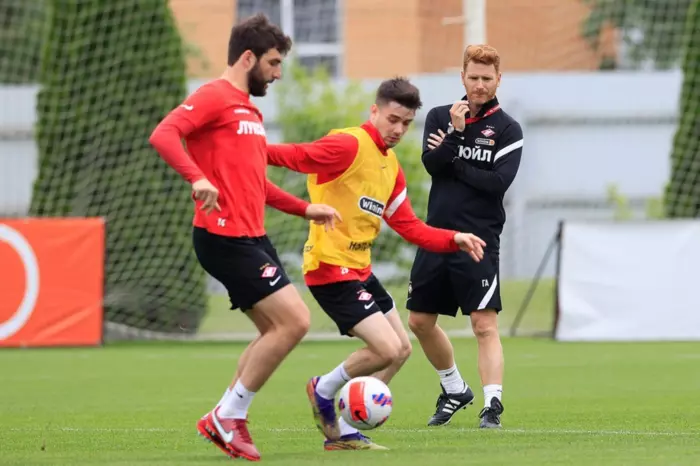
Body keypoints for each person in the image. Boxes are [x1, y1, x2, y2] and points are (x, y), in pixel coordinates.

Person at [149, 14, 341, 461]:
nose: (278, 73)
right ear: (248, 57)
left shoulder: (249, 111)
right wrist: (197, 178)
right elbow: (164, 134)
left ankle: (227, 416)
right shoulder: (215, 95)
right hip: (223, 237)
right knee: (295, 322)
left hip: (252, 237)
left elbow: (256, 183)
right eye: (273, 63)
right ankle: (228, 416)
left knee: (275, 329)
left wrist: (305, 208)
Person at [266, 77, 487, 450]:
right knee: (386, 349)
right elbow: (296, 155)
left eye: (406, 123)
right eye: (393, 119)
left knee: (400, 350)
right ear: (374, 111)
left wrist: (454, 238)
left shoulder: (390, 166)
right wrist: (244, 149)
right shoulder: (348, 144)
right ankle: (323, 390)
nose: (398, 129)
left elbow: (409, 226)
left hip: (360, 271)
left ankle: (343, 428)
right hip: (329, 268)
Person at [405, 44, 524, 429]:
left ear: (498, 80)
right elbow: (431, 165)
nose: (479, 85)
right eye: (473, 77)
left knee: (483, 324)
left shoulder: (508, 129)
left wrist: (453, 160)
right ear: (462, 77)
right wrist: (456, 136)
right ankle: (454, 388)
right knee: (419, 321)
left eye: (487, 78)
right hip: (437, 235)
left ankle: (492, 406)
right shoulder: (441, 117)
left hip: (479, 239)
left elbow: (497, 183)